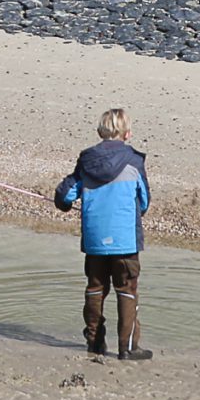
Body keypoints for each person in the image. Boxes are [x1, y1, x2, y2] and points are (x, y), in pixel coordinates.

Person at [54, 108, 152, 361]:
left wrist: (65, 205)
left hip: (95, 239)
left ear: (100, 132)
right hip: (125, 240)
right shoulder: (134, 161)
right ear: (127, 134)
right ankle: (128, 348)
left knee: (96, 288)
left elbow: (65, 195)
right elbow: (143, 202)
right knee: (127, 289)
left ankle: (95, 342)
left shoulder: (87, 161)